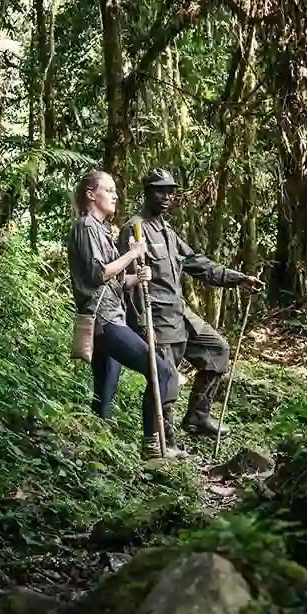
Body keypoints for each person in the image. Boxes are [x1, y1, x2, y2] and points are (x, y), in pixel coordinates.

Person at [117, 168, 264, 442]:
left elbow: (197, 264)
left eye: (171, 191)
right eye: (160, 190)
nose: (167, 196)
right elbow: (126, 280)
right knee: (165, 379)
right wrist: (139, 322)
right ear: (147, 192)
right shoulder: (135, 229)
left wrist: (239, 279)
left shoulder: (168, 231)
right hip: (156, 317)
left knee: (217, 350)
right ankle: (163, 442)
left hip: (180, 312)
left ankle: (198, 416)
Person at [66, 169, 188, 460]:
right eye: (108, 190)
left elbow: (115, 281)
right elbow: (98, 274)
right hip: (104, 320)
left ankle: (94, 459)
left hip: (111, 315)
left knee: (103, 397)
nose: (115, 195)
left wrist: (136, 277)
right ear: (91, 194)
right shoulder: (85, 226)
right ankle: (151, 445)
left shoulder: (100, 229)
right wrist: (133, 254)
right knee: (160, 369)